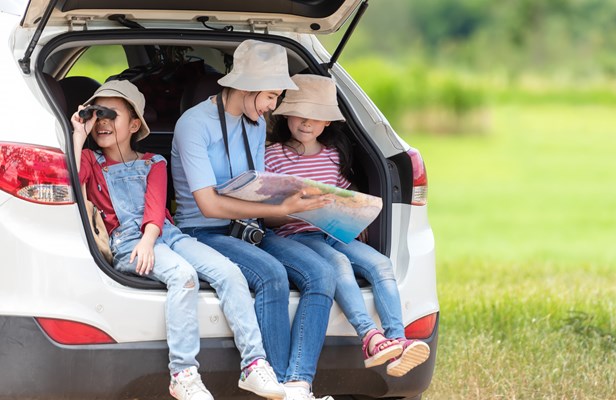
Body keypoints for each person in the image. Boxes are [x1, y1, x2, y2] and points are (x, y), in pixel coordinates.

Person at [71, 80, 285, 400]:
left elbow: (157, 206)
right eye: (96, 115)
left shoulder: (154, 162)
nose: (101, 122)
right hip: (127, 242)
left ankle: (254, 364)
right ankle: (183, 373)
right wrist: (77, 134)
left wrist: (150, 237)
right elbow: (71, 183)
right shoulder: (90, 161)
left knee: (229, 272)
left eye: (110, 115)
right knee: (182, 276)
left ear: (134, 124)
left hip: (163, 233)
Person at [171, 40, 336, 400]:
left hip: (249, 227)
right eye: (270, 96)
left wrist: (297, 199)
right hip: (203, 231)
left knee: (322, 274)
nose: (272, 107)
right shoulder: (193, 125)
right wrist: (277, 210)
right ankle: (274, 381)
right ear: (245, 87)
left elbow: (256, 187)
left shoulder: (256, 123)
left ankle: (297, 384)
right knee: (272, 274)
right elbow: (209, 205)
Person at [265, 74, 431, 377]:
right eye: (300, 114)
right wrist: (298, 210)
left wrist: (357, 213)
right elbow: (266, 211)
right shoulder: (274, 155)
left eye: (316, 117)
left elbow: (344, 194)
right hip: (300, 236)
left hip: (334, 233)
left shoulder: (331, 156)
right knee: (339, 264)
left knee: (381, 265)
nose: (307, 123)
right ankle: (370, 337)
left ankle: (397, 339)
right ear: (286, 114)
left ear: (327, 122)